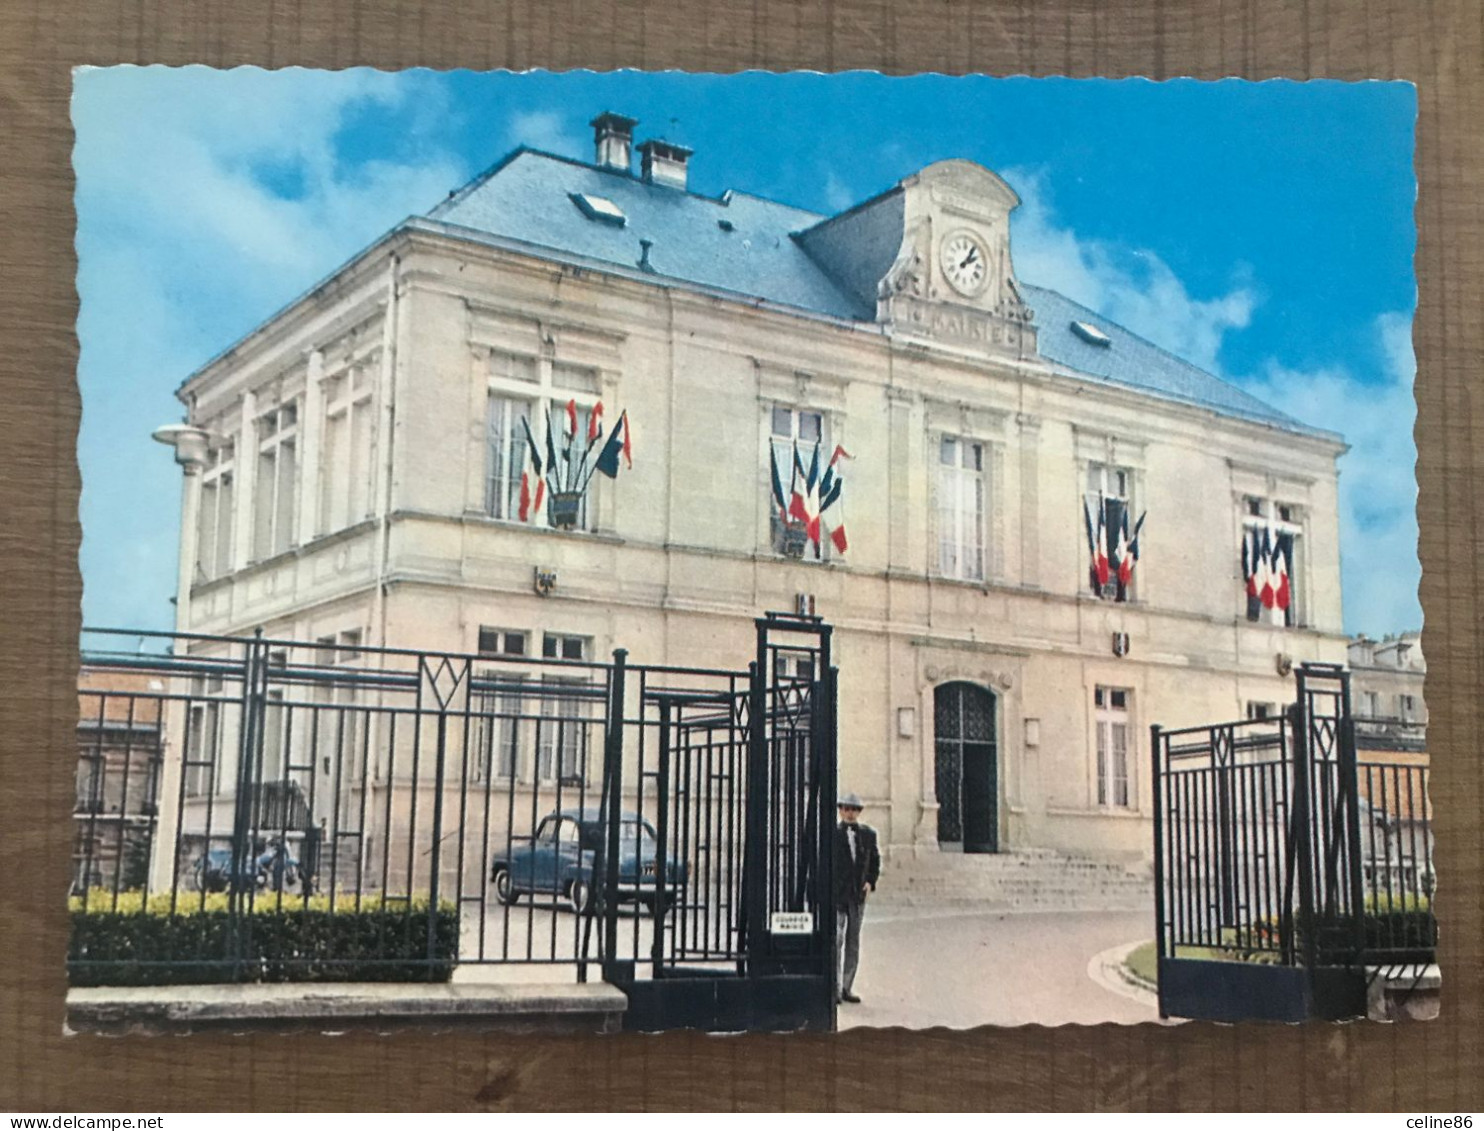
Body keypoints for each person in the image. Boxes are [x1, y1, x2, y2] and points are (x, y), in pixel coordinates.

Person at [833, 791, 880, 1004]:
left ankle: (846, 986)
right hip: (838, 895)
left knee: (853, 942)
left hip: (857, 896)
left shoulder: (868, 835)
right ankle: (833, 988)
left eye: (854, 809)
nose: (850, 813)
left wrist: (870, 881)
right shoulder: (833, 835)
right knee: (837, 939)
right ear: (840, 811)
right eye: (846, 809)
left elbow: (875, 861)